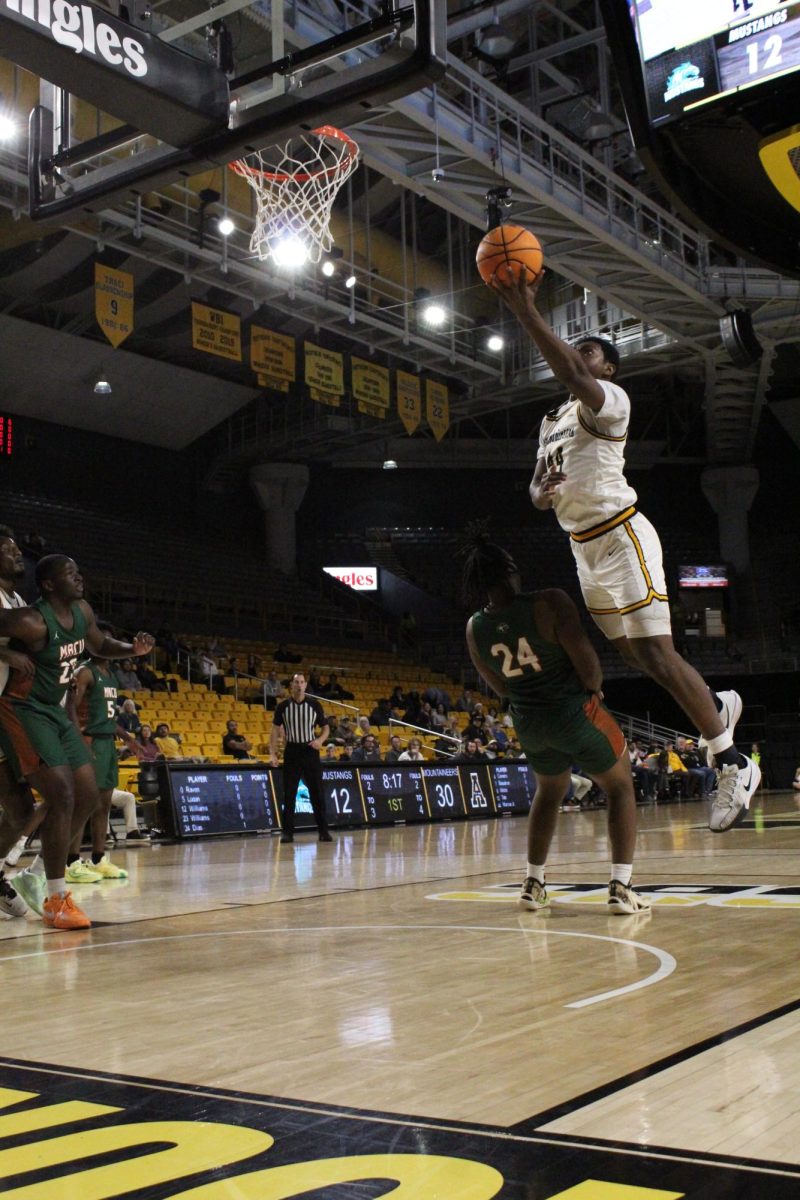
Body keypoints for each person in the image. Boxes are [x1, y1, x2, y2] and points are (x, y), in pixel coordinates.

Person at [491, 267, 760, 833]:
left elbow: (565, 366)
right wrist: (537, 494)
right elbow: (540, 485)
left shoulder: (609, 398)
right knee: (637, 659)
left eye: (588, 350)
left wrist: (526, 312)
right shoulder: (551, 420)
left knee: (658, 655)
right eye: (578, 349)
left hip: (622, 535)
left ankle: (731, 762)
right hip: (583, 548)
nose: (577, 354)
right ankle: (717, 702)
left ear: (607, 368)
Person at [462, 533, 650, 915]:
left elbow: (499, 686)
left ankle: (533, 882)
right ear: (511, 572)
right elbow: (590, 668)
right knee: (620, 786)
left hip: (529, 723)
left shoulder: (474, 628)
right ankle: (621, 886)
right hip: (572, 711)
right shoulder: (549, 602)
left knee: (549, 790)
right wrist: (593, 689)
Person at [0, 554, 154, 929]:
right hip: (24, 708)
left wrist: (131, 649)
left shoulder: (82, 611)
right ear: (50, 585)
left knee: (89, 793)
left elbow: (99, 644)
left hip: (55, 710)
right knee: (60, 795)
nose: (79, 577)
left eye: (78, 571)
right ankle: (56, 898)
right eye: (70, 574)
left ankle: (35, 872)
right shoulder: (32, 621)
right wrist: (3, 651)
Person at [71, 652, 146, 859]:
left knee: (103, 805)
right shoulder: (85, 671)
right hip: (89, 740)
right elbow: (70, 709)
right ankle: (72, 860)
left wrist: (129, 739)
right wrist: (79, 741)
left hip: (107, 743)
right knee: (83, 804)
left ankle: (98, 858)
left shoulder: (111, 675)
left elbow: (109, 719)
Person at [0, 526, 37, 920]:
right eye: (8, 550)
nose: (17, 555)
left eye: (17, 549)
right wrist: (6, 655)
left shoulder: (17, 599)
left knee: (23, 811)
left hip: (7, 713)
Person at [269, 673, 332, 844]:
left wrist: (320, 740)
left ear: (305, 685)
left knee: (317, 792)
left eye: (302, 682)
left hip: (310, 751)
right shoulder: (282, 706)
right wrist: (272, 753)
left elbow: (326, 728)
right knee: (289, 794)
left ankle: (323, 831)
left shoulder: (314, 705)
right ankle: (287, 832)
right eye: (296, 682)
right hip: (292, 751)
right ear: (291, 685)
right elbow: (275, 731)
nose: (299, 685)